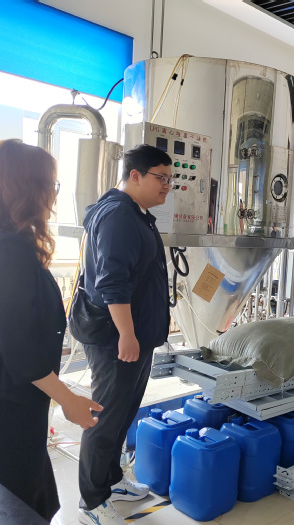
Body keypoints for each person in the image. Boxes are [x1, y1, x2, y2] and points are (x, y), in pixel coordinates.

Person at [0, 139, 102, 522]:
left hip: (7, 398)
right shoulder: (6, 250)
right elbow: (19, 348)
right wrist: (67, 399)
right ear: (26, 188)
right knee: (13, 507)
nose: (53, 195)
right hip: (4, 405)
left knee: (24, 500)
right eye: (50, 185)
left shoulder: (0, 242)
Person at [78, 144, 171, 525]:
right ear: (135, 175)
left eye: (170, 179)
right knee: (105, 417)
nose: (167, 186)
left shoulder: (136, 213)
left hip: (134, 336)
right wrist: (127, 335)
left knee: (122, 414)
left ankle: (112, 479)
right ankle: (91, 501)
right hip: (114, 338)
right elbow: (112, 282)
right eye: (161, 178)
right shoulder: (118, 214)